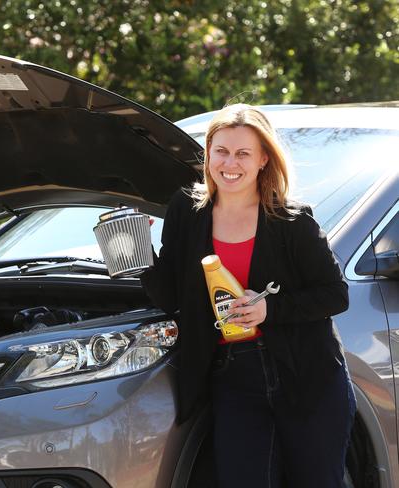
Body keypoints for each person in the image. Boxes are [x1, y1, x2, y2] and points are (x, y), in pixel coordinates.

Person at [140, 103, 356, 487]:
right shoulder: (186, 212)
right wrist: (135, 256)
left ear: (263, 160)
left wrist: (269, 309)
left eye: (243, 153)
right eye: (221, 151)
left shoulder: (292, 220)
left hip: (307, 379)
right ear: (207, 154)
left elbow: (336, 295)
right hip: (233, 378)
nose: (230, 163)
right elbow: (173, 296)